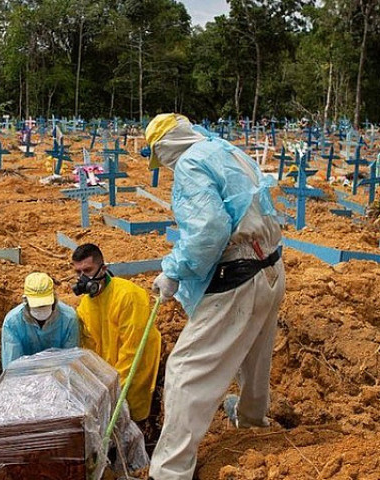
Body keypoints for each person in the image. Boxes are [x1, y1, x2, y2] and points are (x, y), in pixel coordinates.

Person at [143, 113, 285, 480]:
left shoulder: (190, 163)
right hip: (270, 264)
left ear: (165, 147)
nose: (167, 166)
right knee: (254, 354)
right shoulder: (222, 149)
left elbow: (208, 231)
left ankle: (170, 472)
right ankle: (252, 423)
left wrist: (173, 271)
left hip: (239, 273)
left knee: (185, 371)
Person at [71, 243, 161, 422]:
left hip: (133, 376)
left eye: (88, 270)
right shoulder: (85, 307)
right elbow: (89, 350)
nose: (83, 278)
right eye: (78, 273)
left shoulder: (128, 296)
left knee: (133, 422)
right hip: (109, 380)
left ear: (103, 269)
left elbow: (133, 351)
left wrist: (115, 390)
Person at [1, 272, 80, 369]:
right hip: (26, 378)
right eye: (37, 306)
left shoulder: (69, 319)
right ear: (26, 301)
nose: (41, 309)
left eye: (45, 305)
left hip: (59, 376)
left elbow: (69, 361)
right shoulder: (12, 323)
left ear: (54, 298)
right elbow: (13, 366)